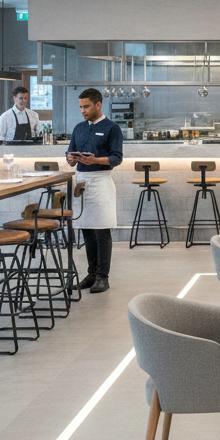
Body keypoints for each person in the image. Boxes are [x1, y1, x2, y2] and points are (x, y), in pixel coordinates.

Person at [66, 88, 123, 294]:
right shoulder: (79, 128)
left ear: (98, 105)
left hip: (101, 181)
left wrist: (95, 160)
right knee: (87, 230)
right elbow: (69, 153)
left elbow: (117, 158)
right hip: (82, 182)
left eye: (86, 106)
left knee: (102, 231)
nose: (83, 110)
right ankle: (91, 275)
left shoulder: (112, 128)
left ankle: (103, 277)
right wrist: (71, 158)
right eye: (81, 107)